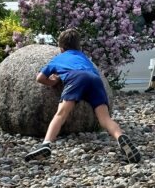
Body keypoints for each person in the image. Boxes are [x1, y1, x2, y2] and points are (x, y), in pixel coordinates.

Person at [25, 28, 141, 163]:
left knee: (61, 114)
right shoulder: (84, 58)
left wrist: (53, 81)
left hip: (76, 78)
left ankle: (46, 144)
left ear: (61, 48)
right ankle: (120, 137)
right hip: (95, 80)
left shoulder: (58, 58)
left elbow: (40, 78)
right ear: (78, 47)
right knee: (104, 119)